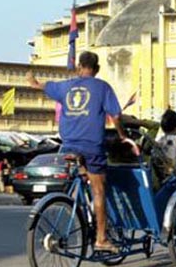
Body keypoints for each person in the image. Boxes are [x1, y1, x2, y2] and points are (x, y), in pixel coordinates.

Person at [27, 50, 127, 254]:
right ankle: (101, 238)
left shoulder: (65, 86)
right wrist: (122, 135)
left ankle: (83, 209)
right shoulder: (102, 87)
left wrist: (33, 80)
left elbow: (41, 85)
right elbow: (116, 115)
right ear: (97, 69)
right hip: (91, 145)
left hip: (68, 144)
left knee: (83, 175)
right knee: (99, 190)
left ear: (79, 67)